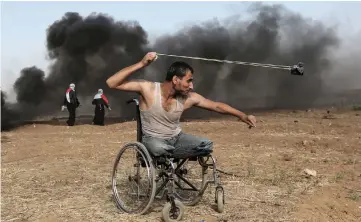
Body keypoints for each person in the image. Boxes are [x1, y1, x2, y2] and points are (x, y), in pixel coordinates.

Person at [106, 52, 256, 159]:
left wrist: (242, 115)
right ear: (176, 79)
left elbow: (216, 106)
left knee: (206, 145)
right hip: (153, 140)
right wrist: (142, 63)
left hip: (177, 139)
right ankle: (173, 153)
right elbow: (111, 83)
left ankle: (172, 153)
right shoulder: (149, 89)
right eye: (189, 80)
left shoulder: (187, 98)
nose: (191, 86)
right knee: (159, 148)